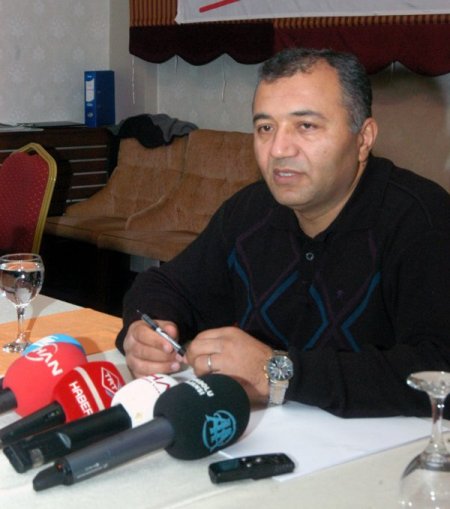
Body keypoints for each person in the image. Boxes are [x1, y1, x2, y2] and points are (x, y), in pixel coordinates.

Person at [115, 47, 450, 418]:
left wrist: (280, 373)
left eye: (306, 126)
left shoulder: (423, 221)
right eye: (265, 128)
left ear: (363, 138)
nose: (278, 149)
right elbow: (165, 286)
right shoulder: (251, 210)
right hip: (267, 438)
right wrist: (145, 333)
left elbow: (440, 370)